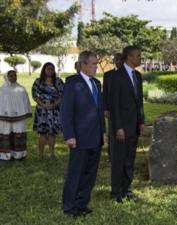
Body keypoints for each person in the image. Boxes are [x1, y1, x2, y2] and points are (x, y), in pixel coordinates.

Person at [61, 51, 104, 217]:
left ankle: (82, 204)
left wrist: (104, 132)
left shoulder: (97, 83)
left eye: (96, 63)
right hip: (79, 137)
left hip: (96, 136)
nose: (96, 67)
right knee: (76, 173)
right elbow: (66, 112)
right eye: (93, 63)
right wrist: (69, 135)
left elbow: (99, 111)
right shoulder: (73, 83)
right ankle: (69, 207)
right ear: (83, 64)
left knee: (90, 174)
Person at [109, 46, 144, 203]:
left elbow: (139, 102)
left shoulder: (137, 75)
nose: (140, 58)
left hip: (134, 126)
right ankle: (116, 191)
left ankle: (126, 189)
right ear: (129, 57)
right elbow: (114, 104)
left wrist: (141, 122)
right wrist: (118, 127)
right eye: (138, 56)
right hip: (122, 127)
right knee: (119, 160)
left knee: (130, 159)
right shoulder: (117, 76)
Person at [32, 62, 64, 159]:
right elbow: (34, 95)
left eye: (52, 69)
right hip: (42, 110)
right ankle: (40, 154)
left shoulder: (58, 81)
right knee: (42, 133)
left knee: (52, 133)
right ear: (44, 70)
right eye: (48, 69)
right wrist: (43, 105)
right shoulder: (38, 81)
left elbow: (63, 94)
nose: (50, 71)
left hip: (54, 110)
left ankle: (52, 153)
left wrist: (54, 104)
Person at [0, 70, 32, 160]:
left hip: (19, 117)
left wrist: (25, 112)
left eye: (15, 75)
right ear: (6, 77)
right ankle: (5, 154)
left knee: (19, 133)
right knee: (5, 133)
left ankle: (19, 154)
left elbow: (26, 102)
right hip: (4, 118)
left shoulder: (21, 89)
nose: (13, 77)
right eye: (11, 76)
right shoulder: (2, 90)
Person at [103, 53, 123, 162]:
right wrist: (105, 108)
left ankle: (122, 156)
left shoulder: (128, 74)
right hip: (111, 110)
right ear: (114, 61)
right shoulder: (108, 75)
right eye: (117, 59)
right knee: (112, 133)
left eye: (121, 59)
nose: (119, 61)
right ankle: (112, 157)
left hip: (125, 111)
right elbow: (105, 93)